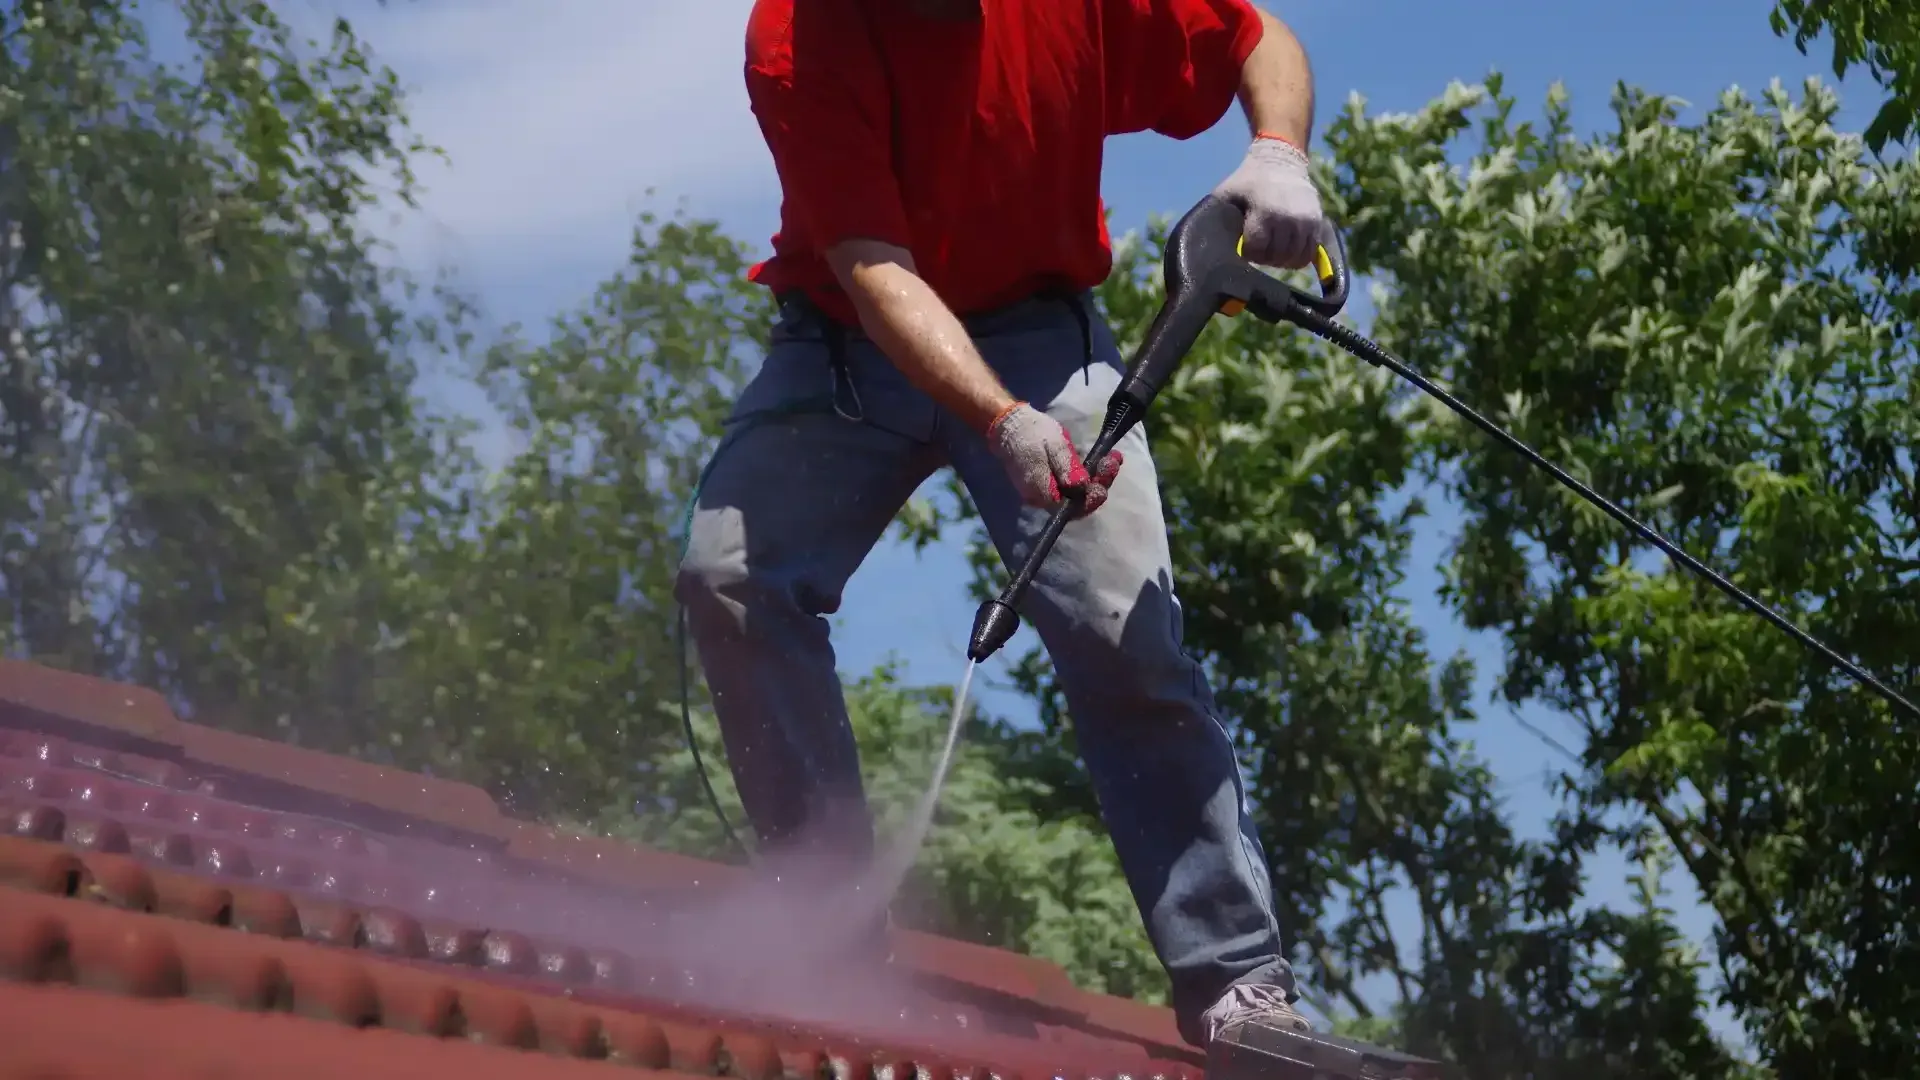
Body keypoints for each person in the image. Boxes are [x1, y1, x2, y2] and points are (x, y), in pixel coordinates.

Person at [676, 0, 1329, 1051]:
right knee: (729, 577)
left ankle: (1236, 984)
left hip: (1041, 332)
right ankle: (829, 938)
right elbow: (876, 267)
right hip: (848, 342)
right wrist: (998, 420)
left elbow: (1258, 38)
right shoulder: (797, 35)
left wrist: (1277, 152)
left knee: (1125, 632)